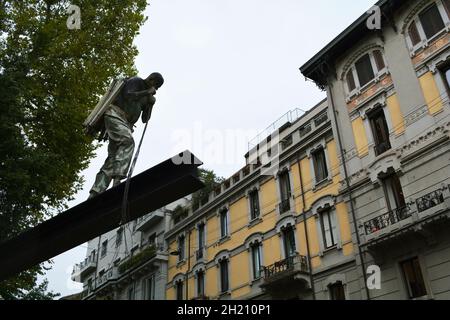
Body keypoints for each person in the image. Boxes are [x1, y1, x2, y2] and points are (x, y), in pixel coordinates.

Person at [88, 72, 164, 199]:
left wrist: (150, 104)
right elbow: (128, 95)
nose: (155, 89)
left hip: (127, 124)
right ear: (151, 79)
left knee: (112, 158)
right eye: (155, 85)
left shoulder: (147, 96)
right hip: (115, 115)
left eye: (157, 88)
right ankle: (118, 179)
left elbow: (145, 119)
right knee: (127, 142)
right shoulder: (137, 81)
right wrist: (146, 92)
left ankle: (96, 191)